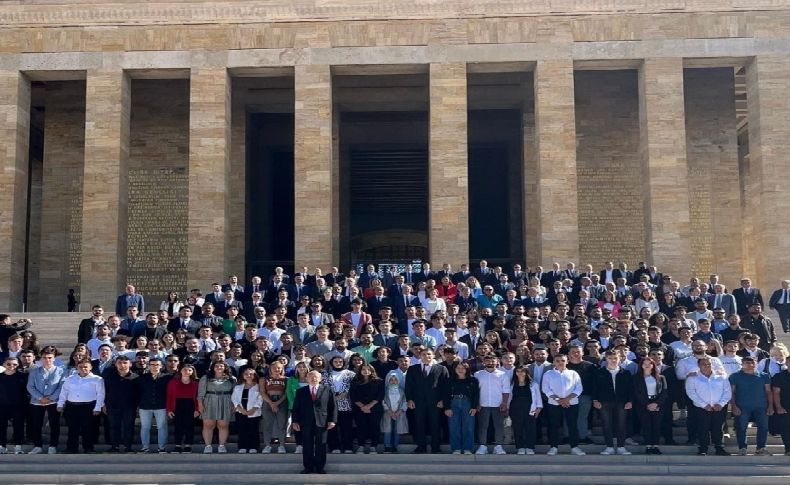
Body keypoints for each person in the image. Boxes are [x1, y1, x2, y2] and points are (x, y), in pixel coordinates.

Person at [292, 370, 337, 474]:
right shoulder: (301, 391)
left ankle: (320, 467)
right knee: (307, 445)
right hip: (305, 422)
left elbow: (333, 406)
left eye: (316, 376)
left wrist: (332, 420)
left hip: (322, 421)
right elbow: (296, 408)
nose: (313, 378)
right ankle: (308, 467)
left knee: (321, 444)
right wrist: (295, 421)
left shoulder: (327, 389)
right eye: (311, 376)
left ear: (320, 379)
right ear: (307, 378)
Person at [405, 348, 449, 454]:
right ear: (420, 356)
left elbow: (446, 387)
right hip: (418, 402)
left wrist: (443, 400)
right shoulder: (412, 369)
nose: (426, 356)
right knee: (419, 424)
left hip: (435, 402)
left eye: (429, 354)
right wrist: (409, 399)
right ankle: (421, 447)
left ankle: (436, 447)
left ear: (433, 355)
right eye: (424, 354)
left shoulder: (441, 368)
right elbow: (408, 386)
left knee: (435, 424)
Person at [57, 359, 105, 454]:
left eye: (85, 367)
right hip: (72, 406)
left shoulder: (97, 379)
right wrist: (60, 404)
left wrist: (98, 407)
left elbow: (100, 394)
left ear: (91, 367)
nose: (83, 369)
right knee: (72, 429)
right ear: (77, 368)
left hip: (88, 406)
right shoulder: (70, 378)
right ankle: (71, 448)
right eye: (80, 367)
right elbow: (64, 392)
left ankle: (88, 448)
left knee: (88, 429)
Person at [685, 357, 731, 455]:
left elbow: (727, 392)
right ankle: (703, 448)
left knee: (718, 428)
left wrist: (720, 404)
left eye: (708, 364)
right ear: (698, 365)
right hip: (701, 407)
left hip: (719, 407)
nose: (706, 366)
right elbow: (691, 393)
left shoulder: (722, 377)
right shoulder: (693, 377)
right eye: (703, 364)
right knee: (703, 427)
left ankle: (719, 447)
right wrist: (704, 405)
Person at [541, 354, 585, 456]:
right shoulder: (548, 374)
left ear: (567, 361)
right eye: (557, 360)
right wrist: (559, 400)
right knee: (553, 425)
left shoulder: (573, 373)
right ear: (554, 362)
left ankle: (574, 447)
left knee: (572, 425)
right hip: (554, 404)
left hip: (571, 403)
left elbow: (579, 388)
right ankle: (553, 447)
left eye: (562, 360)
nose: (560, 362)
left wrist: (567, 399)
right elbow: (546, 389)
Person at [729, 356, 773, 455]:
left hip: (761, 406)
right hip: (742, 406)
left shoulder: (764, 376)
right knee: (741, 427)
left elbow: (768, 391)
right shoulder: (735, 376)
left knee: (763, 427)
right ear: (742, 364)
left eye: (752, 362)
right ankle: (742, 448)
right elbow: (731, 392)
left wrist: (770, 406)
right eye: (747, 363)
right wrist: (734, 406)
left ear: (756, 363)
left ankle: (760, 448)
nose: (750, 365)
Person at [593, 350, 634, 455]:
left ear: (619, 359)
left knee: (621, 424)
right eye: (610, 358)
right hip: (604, 402)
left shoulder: (626, 373)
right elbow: (594, 387)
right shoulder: (599, 372)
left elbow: (631, 388)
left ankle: (621, 446)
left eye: (615, 358)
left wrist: (630, 401)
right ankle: (609, 446)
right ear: (606, 359)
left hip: (622, 402)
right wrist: (595, 400)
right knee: (607, 424)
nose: (613, 360)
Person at [27, 349, 65, 454]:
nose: (47, 360)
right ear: (41, 359)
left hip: (53, 401)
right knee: (36, 424)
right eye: (44, 358)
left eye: (49, 358)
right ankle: (37, 445)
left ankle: (53, 446)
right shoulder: (34, 371)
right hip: (37, 401)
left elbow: (62, 386)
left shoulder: (60, 370)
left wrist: (51, 398)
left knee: (54, 424)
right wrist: (40, 397)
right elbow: (30, 386)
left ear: (54, 359)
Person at [474, 354, 510, 455]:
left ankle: (498, 446)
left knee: (498, 426)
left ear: (497, 361)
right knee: (482, 426)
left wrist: (504, 403)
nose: (490, 363)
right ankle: (482, 446)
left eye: (492, 360)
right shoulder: (478, 374)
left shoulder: (503, 375)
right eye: (487, 361)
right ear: (483, 362)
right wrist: (476, 403)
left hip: (498, 404)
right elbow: (475, 391)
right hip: (482, 404)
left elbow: (506, 390)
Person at [101, 355, 139, 453]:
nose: (122, 365)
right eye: (119, 363)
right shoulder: (109, 376)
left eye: (125, 363)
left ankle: (128, 447)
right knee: (114, 427)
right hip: (112, 406)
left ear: (130, 364)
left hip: (129, 407)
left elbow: (139, 393)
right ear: (115, 364)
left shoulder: (135, 377)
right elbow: (103, 391)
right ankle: (115, 446)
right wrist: (104, 404)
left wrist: (138, 406)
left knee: (129, 427)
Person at [198, 360, 236, 453]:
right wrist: (200, 404)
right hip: (210, 400)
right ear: (213, 368)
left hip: (226, 401)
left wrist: (234, 404)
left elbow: (235, 393)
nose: (219, 367)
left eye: (221, 366)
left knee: (223, 425)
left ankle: (222, 445)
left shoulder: (232, 379)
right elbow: (200, 393)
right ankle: (208, 446)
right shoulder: (206, 378)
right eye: (217, 366)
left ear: (225, 367)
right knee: (208, 425)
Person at [634, 356, 668, 455]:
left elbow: (664, 392)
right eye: (645, 364)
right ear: (641, 366)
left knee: (656, 426)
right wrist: (647, 404)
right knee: (647, 425)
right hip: (643, 404)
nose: (647, 366)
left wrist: (656, 403)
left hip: (657, 403)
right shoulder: (636, 378)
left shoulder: (661, 377)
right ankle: (648, 446)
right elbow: (636, 392)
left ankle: (655, 446)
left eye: (650, 364)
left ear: (653, 365)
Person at [137, 357, 171, 453]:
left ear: (161, 366)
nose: (154, 367)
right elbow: (138, 391)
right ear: (148, 366)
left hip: (161, 405)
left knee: (161, 427)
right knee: (145, 427)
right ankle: (145, 447)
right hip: (145, 406)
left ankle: (162, 447)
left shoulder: (166, 377)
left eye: (157, 365)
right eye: (152, 364)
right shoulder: (142, 377)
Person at [350, 363, 384, 454]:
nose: (366, 371)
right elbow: (353, 395)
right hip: (359, 408)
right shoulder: (355, 381)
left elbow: (380, 396)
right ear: (360, 371)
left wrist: (369, 406)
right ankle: (361, 446)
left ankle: (374, 446)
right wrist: (363, 406)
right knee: (361, 427)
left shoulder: (379, 381)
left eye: (368, 369)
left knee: (375, 427)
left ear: (372, 371)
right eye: (363, 369)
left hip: (375, 408)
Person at [324, 355, 355, 454]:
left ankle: (348, 447)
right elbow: (324, 387)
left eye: (340, 361)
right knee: (331, 427)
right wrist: (333, 398)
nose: (338, 363)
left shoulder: (350, 374)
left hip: (346, 404)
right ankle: (334, 447)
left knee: (346, 427)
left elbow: (352, 387)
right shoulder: (326, 374)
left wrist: (341, 396)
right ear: (332, 363)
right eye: (336, 361)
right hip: (330, 405)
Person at [166, 364, 199, 453]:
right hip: (177, 405)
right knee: (178, 426)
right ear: (180, 371)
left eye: (189, 370)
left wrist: (197, 409)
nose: (187, 372)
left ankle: (188, 445)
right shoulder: (173, 382)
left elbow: (198, 397)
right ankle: (178, 445)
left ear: (193, 372)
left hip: (191, 405)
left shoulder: (196, 383)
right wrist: (169, 409)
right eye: (184, 370)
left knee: (189, 426)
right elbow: (169, 396)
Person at [510, 365, 542, 455]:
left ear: (526, 373)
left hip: (530, 408)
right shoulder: (512, 384)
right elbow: (509, 398)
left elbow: (538, 398)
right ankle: (520, 447)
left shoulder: (533, 384)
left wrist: (538, 408)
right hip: (515, 408)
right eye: (518, 371)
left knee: (530, 428)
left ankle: (530, 447)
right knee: (517, 428)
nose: (520, 373)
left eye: (522, 371)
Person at [0, 357, 28, 454]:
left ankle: (18, 447)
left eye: (14, 364)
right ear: (4, 364)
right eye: (9, 364)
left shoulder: (23, 376)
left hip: (18, 406)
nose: (12, 366)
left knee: (19, 426)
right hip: (2, 406)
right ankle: (2, 446)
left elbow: (26, 391)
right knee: (1, 427)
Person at [260, 361, 289, 453]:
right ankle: (267, 445)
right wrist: (271, 403)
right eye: (274, 368)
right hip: (268, 400)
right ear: (270, 369)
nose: (277, 369)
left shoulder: (286, 379)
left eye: (279, 368)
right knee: (267, 424)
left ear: (282, 369)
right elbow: (262, 392)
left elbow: (286, 393)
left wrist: (277, 403)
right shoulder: (264, 379)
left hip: (282, 401)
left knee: (282, 424)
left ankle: (281, 445)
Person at [232, 367, 263, 454]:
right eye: (246, 374)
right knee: (242, 429)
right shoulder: (238, 387)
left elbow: (260, 399)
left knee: (253, 430)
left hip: (254, 412)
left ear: (254, 375)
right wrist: (240, 409)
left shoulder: (258, 386)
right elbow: (234, 398)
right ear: (243, 376)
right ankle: (242, 446)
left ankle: (253, 447)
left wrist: (253, 409)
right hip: (241, 411)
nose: (248, 375)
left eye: (251, 374)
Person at [381, 370, 408, 453]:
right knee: (387, 430)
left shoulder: (401, 391)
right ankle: (387, 446)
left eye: (395, 380)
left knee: (397, 430)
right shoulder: (385, 391)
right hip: (388, 413)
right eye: (391, 380)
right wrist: (388, 410)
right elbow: (383, 401)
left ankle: (395, 446)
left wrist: (400, 411)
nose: (393, 381)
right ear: (388, 380)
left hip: (399, 413)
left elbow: (404, 402)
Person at [286, 361, 311, 454]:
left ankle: (308, 445)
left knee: (309, 427)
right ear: (296, 368)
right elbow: (289, 393)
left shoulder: (311, 378)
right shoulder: (291, 379)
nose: (301, 368)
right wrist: (294, 405)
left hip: (310, 407)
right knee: (297, 426)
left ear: (308, 368)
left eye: (304, 367)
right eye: (299, 367)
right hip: (296, 407)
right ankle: (299, 445)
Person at [770, 355, 790, 456]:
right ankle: (788, 449)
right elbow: (776, 392)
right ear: (786, 363)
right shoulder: (779, 376)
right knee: (786, 429)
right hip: (785, 407)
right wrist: (778, 407)